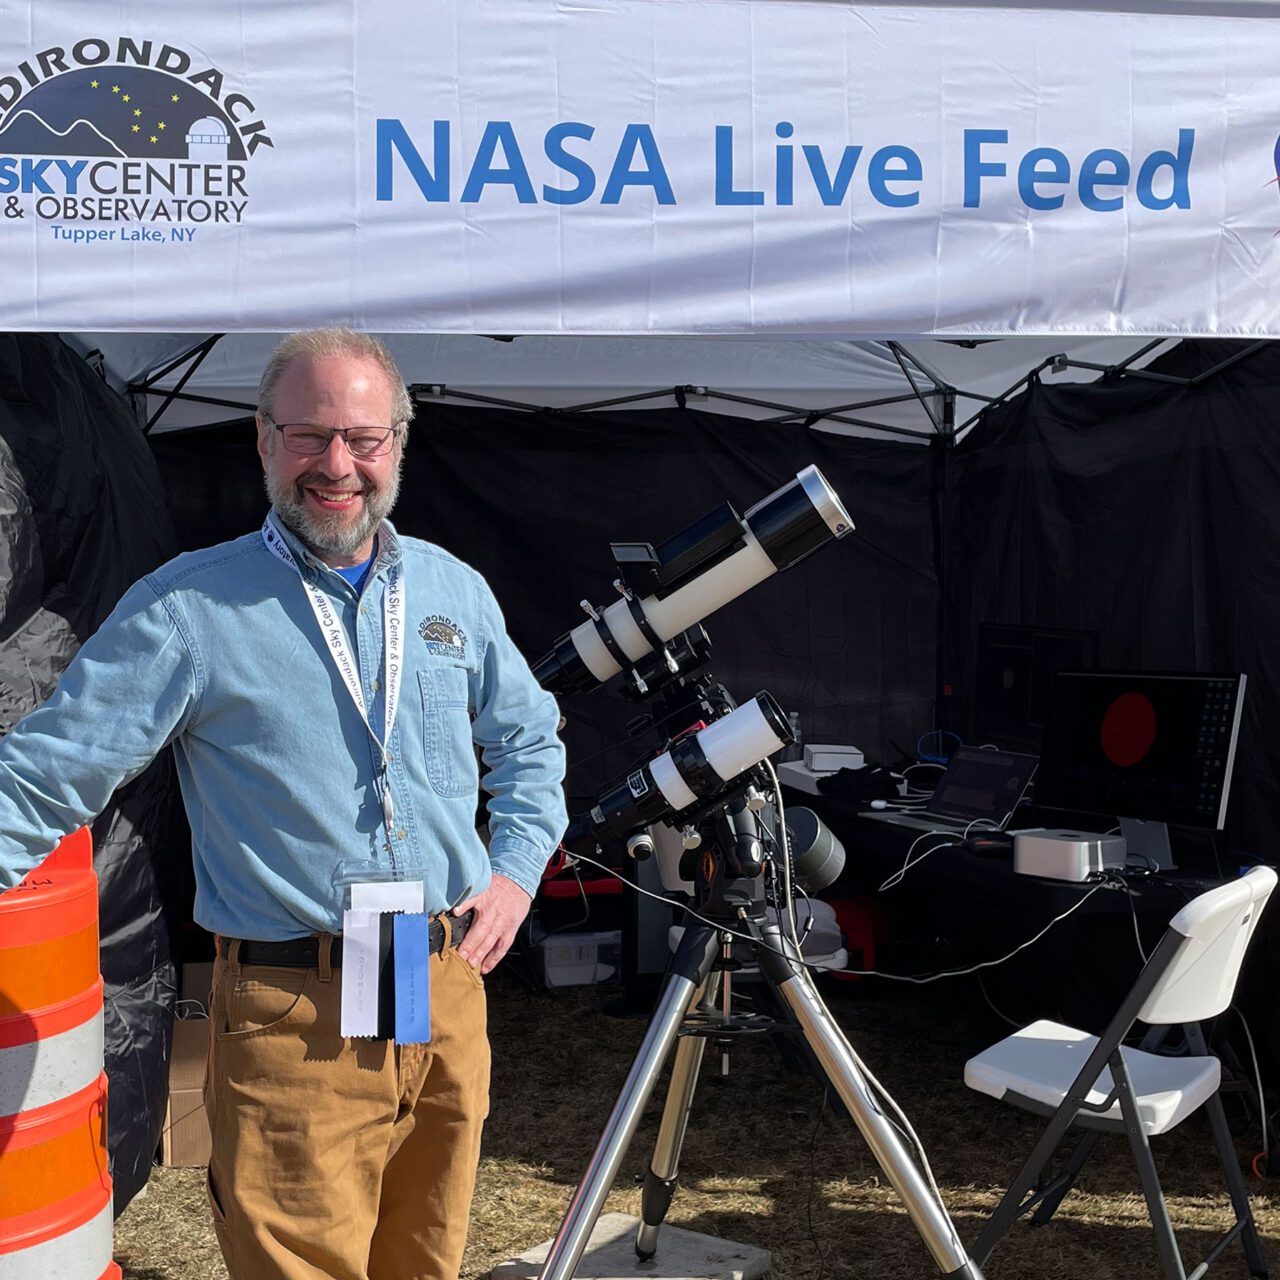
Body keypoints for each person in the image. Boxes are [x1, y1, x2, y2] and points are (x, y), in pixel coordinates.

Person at [0, 328, 568, 1279]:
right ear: (263, 442)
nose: (336, 465)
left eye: (363, 437)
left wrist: (513, 873)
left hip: (439, 993)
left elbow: (530, 742)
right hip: (288, 1013)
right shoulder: (188, 611)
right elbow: (45, 772)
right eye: (308, 437)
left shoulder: (451, 593)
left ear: (399, 443)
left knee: (426, 1260)